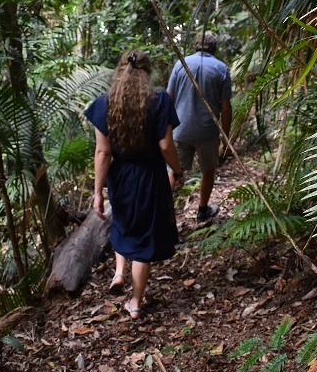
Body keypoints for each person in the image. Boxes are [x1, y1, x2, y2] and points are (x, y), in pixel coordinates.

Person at [84, 50, 185, 320]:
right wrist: (177, 170)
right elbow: (165, 145)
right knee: (145, 238)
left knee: (124, 224)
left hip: (122, 176)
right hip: (151, 175)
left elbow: (103, 153)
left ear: (119, 71)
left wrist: (97, 192)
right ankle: (136, 302)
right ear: (147, 73)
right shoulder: (159, 100)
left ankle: (119, 273)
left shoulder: (104, 104)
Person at [167, 30, 232, 222]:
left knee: (172, 169)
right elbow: (226, 107)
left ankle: (161, 212)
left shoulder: (181, 64)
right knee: (208, 170)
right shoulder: (221, 69)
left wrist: (166, 128)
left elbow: (168, 98)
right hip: (207, 131)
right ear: (215, 47)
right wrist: (226, 137)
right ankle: (202, 210)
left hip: (180, 129)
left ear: (196, 45)